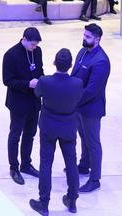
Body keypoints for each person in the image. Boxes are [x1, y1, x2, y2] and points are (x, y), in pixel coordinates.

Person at [29, 48, 84, 216]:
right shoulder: (77, 83)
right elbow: (78, 99)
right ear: (71, 65)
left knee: (46, 164)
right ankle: (72, 201)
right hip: (68, 127)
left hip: (48, 127)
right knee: (71, 164)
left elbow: (37, 93)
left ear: (54, 62)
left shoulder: (45, 81)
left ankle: (44, 203)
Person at [72, 23, 111, 193]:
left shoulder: (101, 61)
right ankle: (84, 165)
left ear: (97, 39)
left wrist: (73, 101)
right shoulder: (83, 51)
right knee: (83, 136)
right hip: (79, 106)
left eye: (88, 37)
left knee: (93, 142)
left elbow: (92, 90)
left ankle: (95, 179)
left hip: (91, 109)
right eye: (84, 35)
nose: (84, 38)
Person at [2, 27, 44, 186]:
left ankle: (26, 164)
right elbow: (7, 81)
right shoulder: (11, 55)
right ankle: (14, 167)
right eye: (32, 44)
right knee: (15, 135)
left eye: (36, 44)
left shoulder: (37, 51)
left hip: (34, 101)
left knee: (30, 133)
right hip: (18, 103)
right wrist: (28, 84)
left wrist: (42, 81)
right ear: (24, 39)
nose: (35, 47)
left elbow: (40, 70)